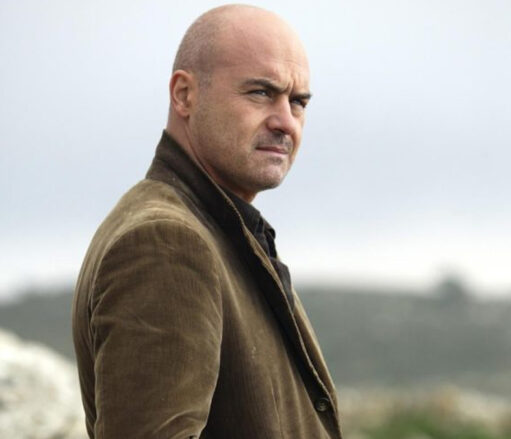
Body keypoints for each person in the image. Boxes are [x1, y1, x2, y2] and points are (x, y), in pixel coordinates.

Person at [71, 5, 341, 438]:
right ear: (184, 95)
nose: (285, 122)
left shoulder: (215, 230)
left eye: (298, 102)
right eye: (260, 93)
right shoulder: (166, 242)